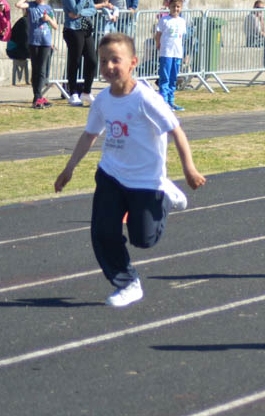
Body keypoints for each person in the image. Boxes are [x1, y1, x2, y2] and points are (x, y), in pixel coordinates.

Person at [53, 32, 206, 307]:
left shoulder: (146, 99)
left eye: (115, 60)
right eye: (103, 61)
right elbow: (90, 135)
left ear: (133, 62)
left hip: (146, 181)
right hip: (111, 174)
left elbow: (176, 131)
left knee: (143, 239)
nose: (108, 67)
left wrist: (189, 170)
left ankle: (165, 191)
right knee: (102, 232)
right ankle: (127, 282)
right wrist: (69, 168)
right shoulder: (101, 101)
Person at [14, 0, 57, 108]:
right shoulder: (31, 6)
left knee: (42, 70)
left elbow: (54, 26)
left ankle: (38, 97)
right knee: (36, 69)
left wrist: (48, 19)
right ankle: (37, 97)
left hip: (46, 42)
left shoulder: (48, 8)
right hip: (34, 42)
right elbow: (18, 4)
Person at [61, 0, 97, 107]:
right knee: (74, 61)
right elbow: (74, 9)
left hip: (85, 28)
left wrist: (80, 13)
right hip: (73, 29)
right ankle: (73, 92)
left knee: (92, 60)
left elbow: (93, 10)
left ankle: (87, 91)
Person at [155, 0, 186, 112]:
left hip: (176, 53)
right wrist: (158, 43)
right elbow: (158, 34)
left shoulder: (182, 21)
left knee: (173, 78)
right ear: (169, 7)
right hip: (166, 52)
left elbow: (181, 37)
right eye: (173, 6)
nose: (176, 9)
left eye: (178, 7)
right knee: (165, 77)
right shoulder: (164, 20)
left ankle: (171, 101)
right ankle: (163, 101)